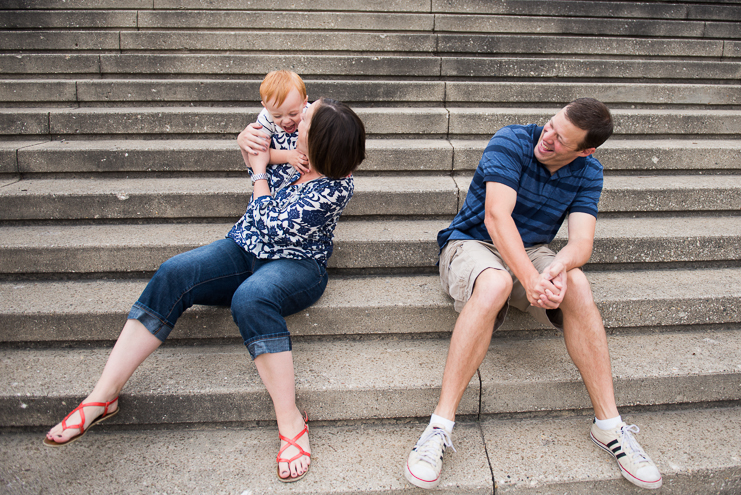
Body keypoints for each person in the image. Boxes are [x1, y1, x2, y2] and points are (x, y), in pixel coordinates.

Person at [44, 96, 366, 484]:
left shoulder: (335, 187)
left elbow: (269, 224)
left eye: (306, 121)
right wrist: (246, 141)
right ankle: (103, 395)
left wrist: (259, 172)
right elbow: (256, 146)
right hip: (243, 247)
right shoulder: (292, 152)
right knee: (174, 272)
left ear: (319, 145)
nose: (297, 121)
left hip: (296, 264)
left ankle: (291, 419)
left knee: (251, 297)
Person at [403, 98, 662, 490]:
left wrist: (558, 269)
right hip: (471, 242)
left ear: (585, 150)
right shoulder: (512, 141)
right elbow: (496, 216)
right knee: (496, 282)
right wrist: (531, 279)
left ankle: (609, 427)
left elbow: (582, 243)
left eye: (562, 140)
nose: (549, 138)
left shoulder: (589, 171)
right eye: (551, 126)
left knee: (577, 282)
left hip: (533, 249)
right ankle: (438, 428)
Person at [245, 70, 311, 177]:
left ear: (304, 103)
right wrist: (287, 156)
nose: (286, 121)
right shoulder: (265, 118)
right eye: (277, 116)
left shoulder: (311, 113)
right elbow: (258, 153)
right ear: (266, 107)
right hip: (278, 174)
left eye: (293, 114)